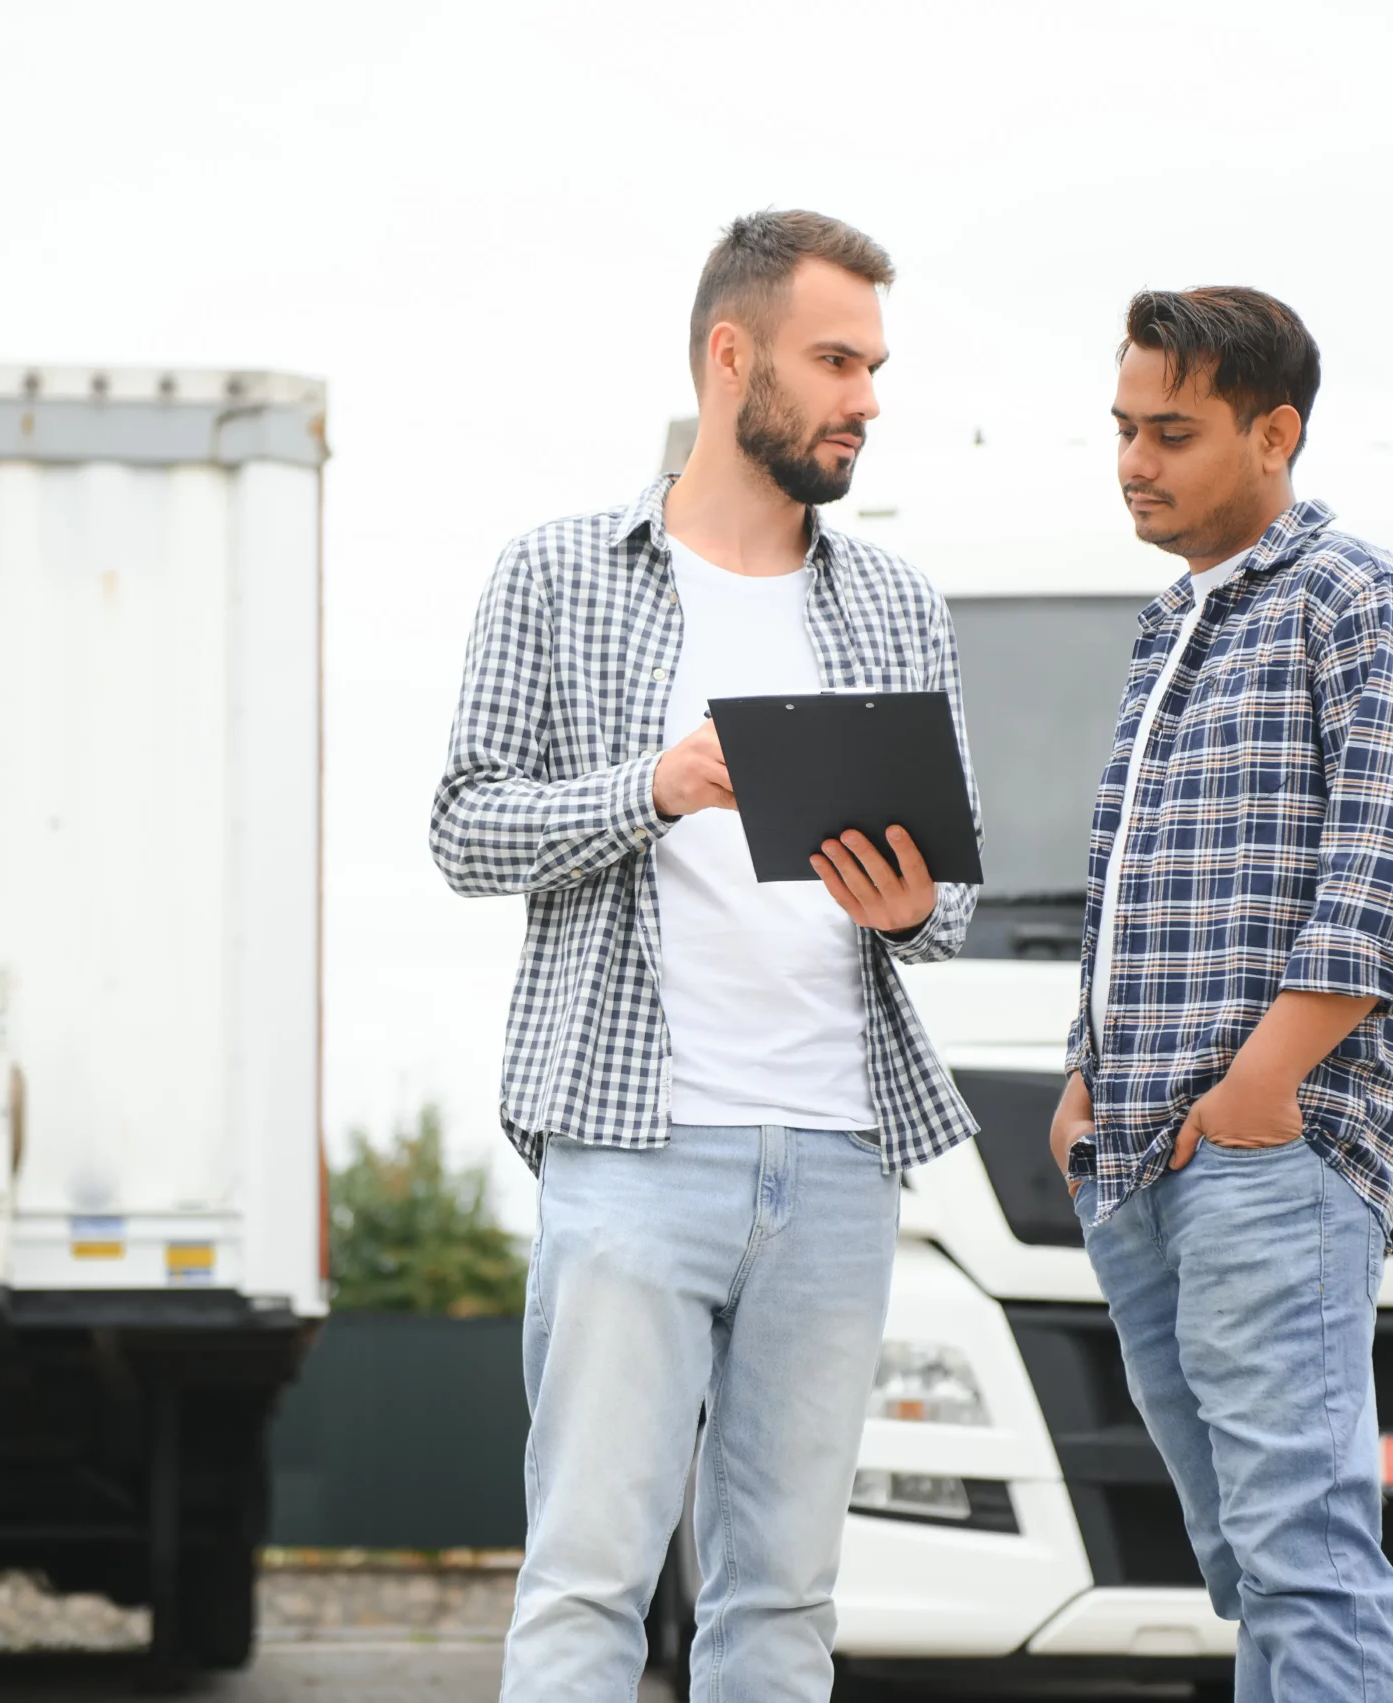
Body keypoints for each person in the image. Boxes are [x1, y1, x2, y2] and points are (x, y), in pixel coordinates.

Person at [430, 209, 979, 1702]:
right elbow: (465, 829)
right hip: (629, 1149)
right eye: (835, 360)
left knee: (783, 1602)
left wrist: (904, 905)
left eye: (875, 365)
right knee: (587, 1585)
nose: (866, 395)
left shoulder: (894, 602)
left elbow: (954, 905)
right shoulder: (557, 575)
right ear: (732, 357)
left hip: (842, 1153)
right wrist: (652, 787)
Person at [1045, 287, 1393, 1702]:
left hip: (1267, 1156)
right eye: (1123, 429)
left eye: (1172, 431)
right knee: (1246, 1558)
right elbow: (1128, 875)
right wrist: (1084, 1075)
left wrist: (1261, 1086)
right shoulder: (1172, 625)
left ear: (1275, 431)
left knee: (1305, 1549)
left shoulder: (1359, 600)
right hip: (1141, 1154)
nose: (1133, 460)